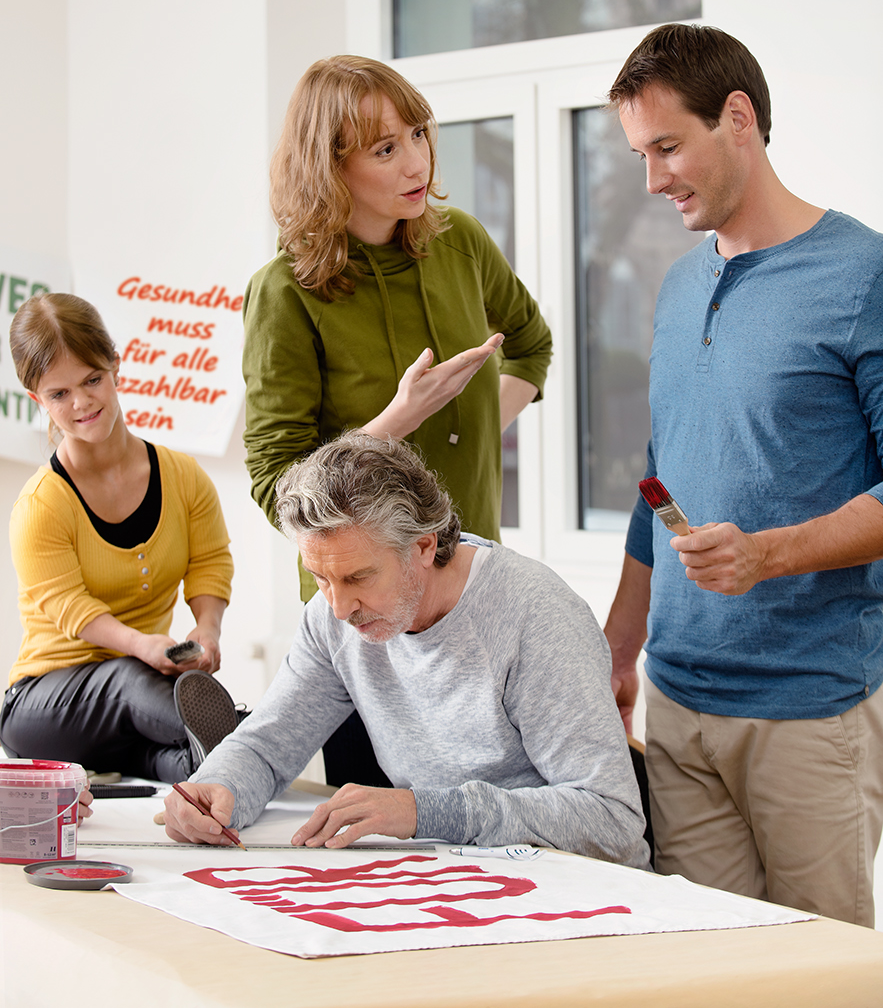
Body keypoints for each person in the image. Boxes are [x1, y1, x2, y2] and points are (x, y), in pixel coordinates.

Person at [602, 23, 883, 926]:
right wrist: (618, 645)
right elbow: (659, 481)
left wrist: (767, 553)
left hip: (807, 709)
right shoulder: (679, 286)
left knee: (818, 975)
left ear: (737, 118)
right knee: (708, 968)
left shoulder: (862, 275)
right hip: (678, 702)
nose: (653, 180)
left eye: (667, 147)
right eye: (640, 156)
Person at [243, 54, 552, 784]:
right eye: (385, 148)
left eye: (417, 134)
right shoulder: (285, 292)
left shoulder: (460, 241)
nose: (416, 161)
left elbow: (530, 345)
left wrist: (476, 426)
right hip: (364, 617)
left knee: (492, 822)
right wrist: (398, 420)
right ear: (329, 167)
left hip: (471, 593)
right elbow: (276, 485)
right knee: (376, 832)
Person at [164, 432, 649, 868]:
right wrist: (217, 787)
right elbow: (267, 747)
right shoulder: (331, 617)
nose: (338, 608)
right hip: (458, 882)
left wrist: (425, 811)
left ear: (423, 547)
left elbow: (612, 819)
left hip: (581, 891)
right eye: (320, 578)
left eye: (358, 578)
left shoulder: (535, 616)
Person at [1, 293, 240, 782]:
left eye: (92, 380)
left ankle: (213, 754)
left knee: (193, 764)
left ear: (115, 365)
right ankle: (242, 735)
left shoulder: (184, 477)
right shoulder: (41, 506)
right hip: (42, 704)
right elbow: (70, 608)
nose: (82, 402)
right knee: (131, 680)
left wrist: (207, 630)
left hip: (139, 697)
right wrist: (142, 646)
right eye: (59, 394)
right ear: (37, 400)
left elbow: (210, 562)